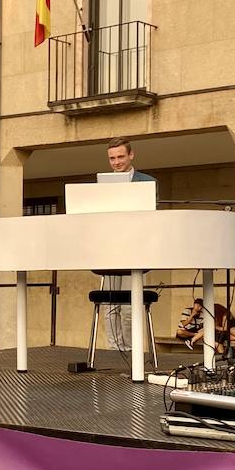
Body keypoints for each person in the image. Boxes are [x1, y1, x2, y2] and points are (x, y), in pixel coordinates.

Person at [103, 137, 156, 352]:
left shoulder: (146, 182)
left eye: (120, 157)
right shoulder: (102, 184)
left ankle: (132, 354)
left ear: (131, 155)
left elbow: (151, 215)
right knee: (109, 306)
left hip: (135, 249)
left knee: (128, 307)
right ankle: (115, 352)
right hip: (108, 250)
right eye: (112, 158)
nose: (116, 162)